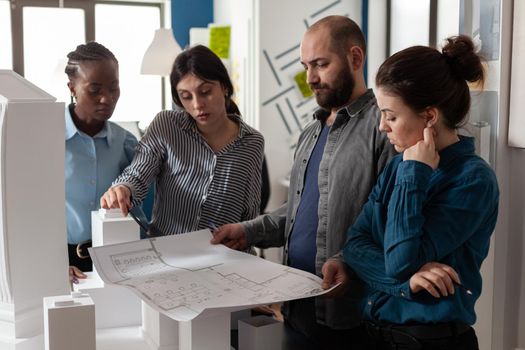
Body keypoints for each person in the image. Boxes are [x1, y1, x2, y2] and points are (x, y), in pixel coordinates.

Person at [211, 15, 395, 349]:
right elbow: (298, 213)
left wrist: (349, 262)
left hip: (350, 317)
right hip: (296, 309)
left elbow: (388, 222)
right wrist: (247, 230)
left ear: (355, 58)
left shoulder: (383, 128)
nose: (310, 78)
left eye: (320, 64)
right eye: (305, 66)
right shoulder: (311, 132)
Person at [339, 35, 499, 349]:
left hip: (431, 341)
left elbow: (400, 260)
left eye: (392, 116)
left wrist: (415, 173)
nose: (382, 126)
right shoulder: (398, 166)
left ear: (429, 116)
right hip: (375, 334)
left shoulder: (473, 180)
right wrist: (407, 282)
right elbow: (354, 246)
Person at [100, 45, 264, 236]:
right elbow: (138, 173)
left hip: (223, 256)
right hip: (168, 254)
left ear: (225, 87)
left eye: (205, 92)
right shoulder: (167, 126)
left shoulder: (252, 142)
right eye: (186, 97)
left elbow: (250, 215)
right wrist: (123, 188)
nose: (197, 104)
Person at [65, 42, 146, 283]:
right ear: (72, 88)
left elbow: (138, 205)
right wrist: (50, 262)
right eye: (94, 90)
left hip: (116, 258)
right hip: (64, 261)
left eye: (114, 88)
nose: (106, 98)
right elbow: (31, 209)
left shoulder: (126, 142)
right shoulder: (46, 140)